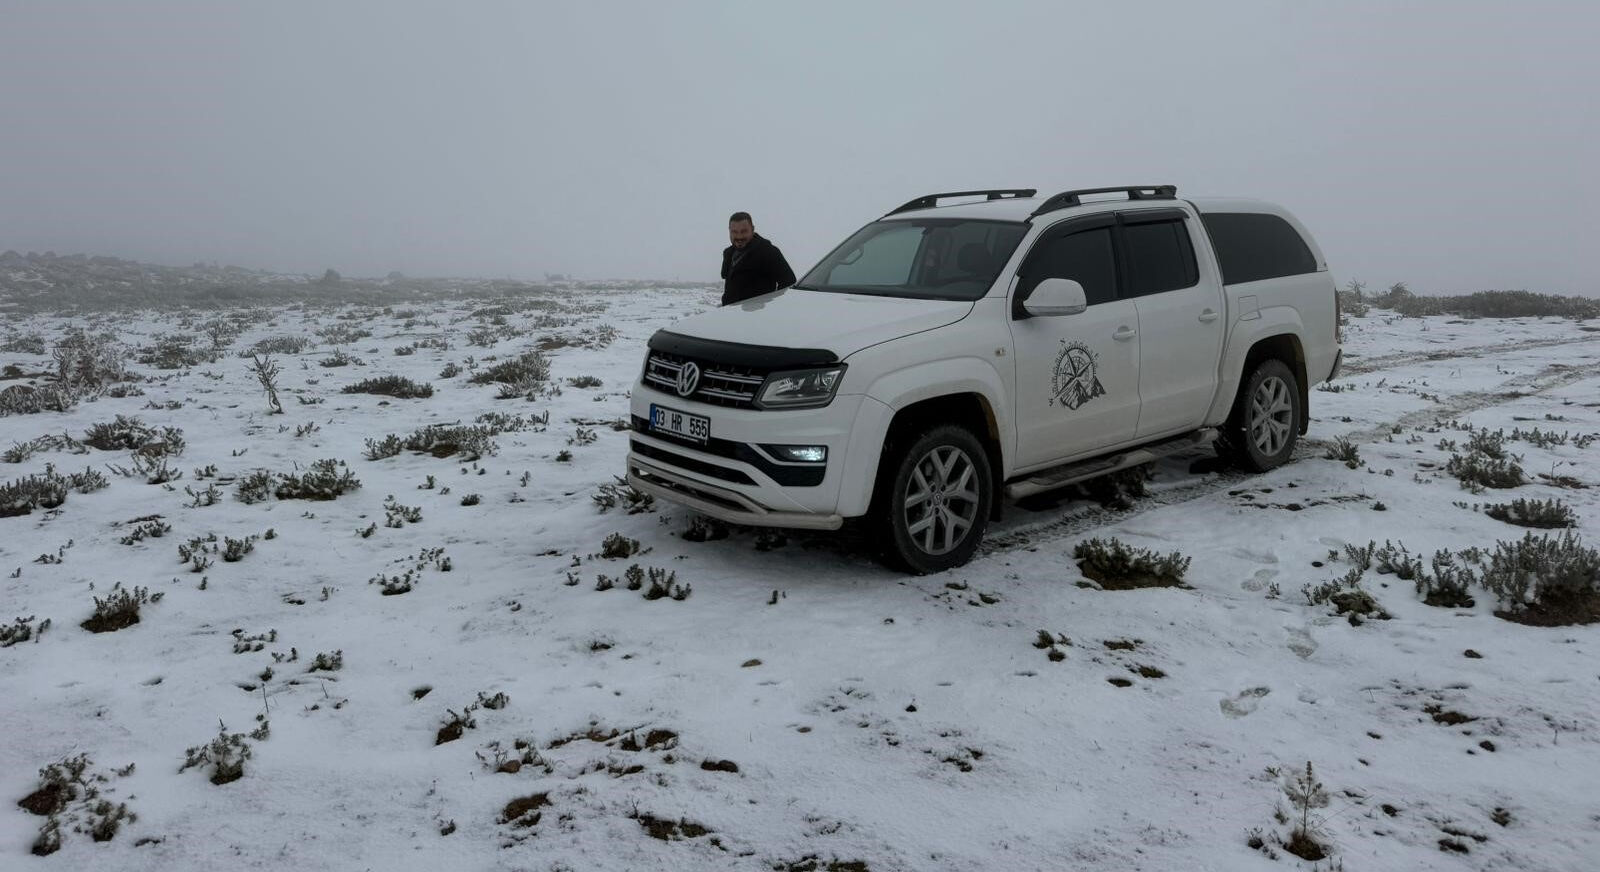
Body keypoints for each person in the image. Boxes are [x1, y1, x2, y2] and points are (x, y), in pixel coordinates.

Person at [720, 212, 796, 306]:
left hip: (756, 317)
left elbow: (788, 282)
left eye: (744, 231)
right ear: (729, 231)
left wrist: (771, 307)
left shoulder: (768, 251)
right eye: (734, 232)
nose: (739, 236)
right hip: (729, 314)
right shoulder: (728, 252)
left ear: (752, 229)